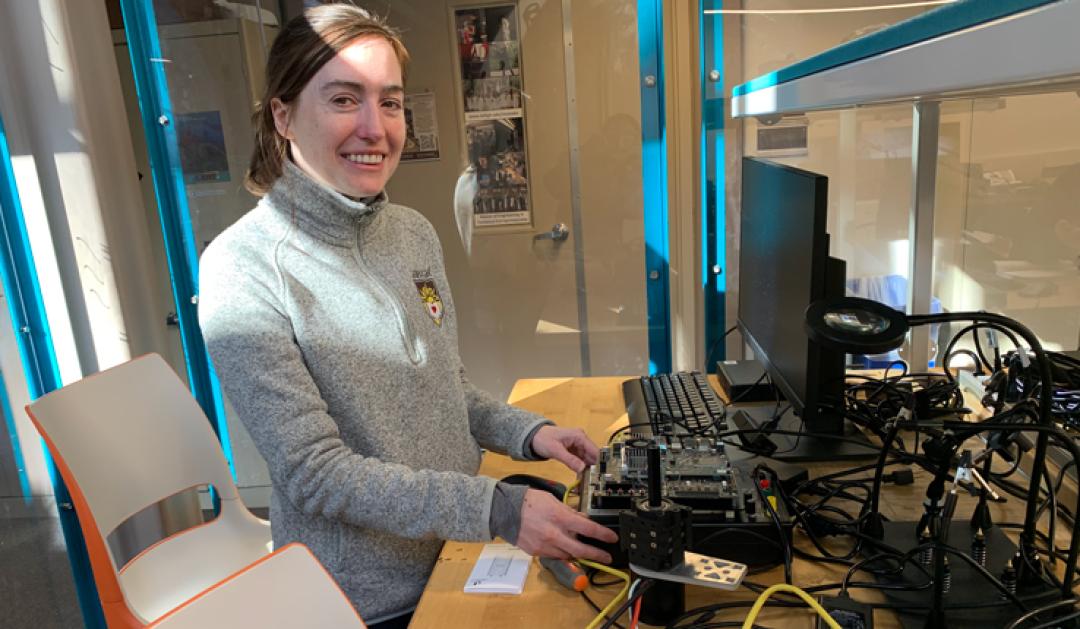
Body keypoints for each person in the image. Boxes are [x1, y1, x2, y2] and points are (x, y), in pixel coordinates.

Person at [197, 5, 617, 628]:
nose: (375, 128)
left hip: (461, 544)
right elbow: (315, 474)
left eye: (389, 103)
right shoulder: (242, 268)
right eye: (344, 99)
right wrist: (497, 509)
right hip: (367, 599)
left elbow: (443, 386)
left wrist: (528, 433)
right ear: (282, 116)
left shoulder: (411, 233)